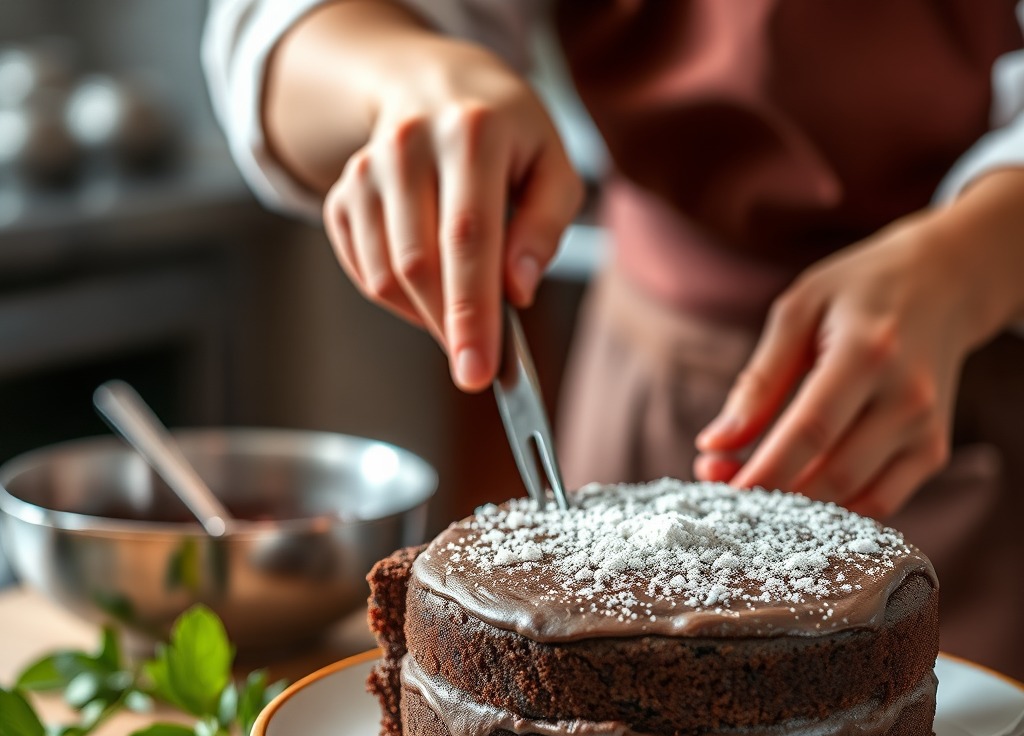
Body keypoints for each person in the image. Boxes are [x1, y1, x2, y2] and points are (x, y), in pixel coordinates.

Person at [203, 0, 1024, 679]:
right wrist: (414, 79)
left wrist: (971, 261)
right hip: (641, 378)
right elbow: (283, 37)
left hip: (989, 397)